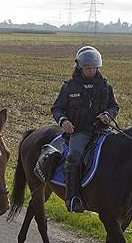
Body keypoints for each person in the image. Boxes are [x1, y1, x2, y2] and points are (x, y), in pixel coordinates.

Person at [51, 46, 119, 213]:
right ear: (80, 67)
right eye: (88, 68)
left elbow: (114, 106)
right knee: (74, 158)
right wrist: (63, 120)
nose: (91, 71)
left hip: (103, 131)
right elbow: (57, 108)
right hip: (79, 132)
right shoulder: (69, 87)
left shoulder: (105, 86)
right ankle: (72, 198)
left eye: (94, 68)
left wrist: (108, 115)